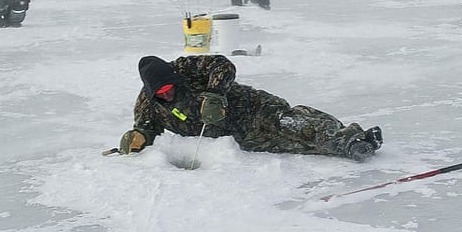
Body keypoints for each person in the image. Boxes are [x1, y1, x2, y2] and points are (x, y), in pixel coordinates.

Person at [118, 54, 383, 162]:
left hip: (254, 108)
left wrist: (215, 94)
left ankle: (350, 140)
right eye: (161, 93)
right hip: (239, 135)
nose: (167, 93)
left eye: (169, 87)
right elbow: (145, 127)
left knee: (293, 125)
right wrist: (138, 137)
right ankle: (344, 148)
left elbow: (222, 65)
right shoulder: (148, 102)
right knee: (292, 145)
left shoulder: (186, 68)